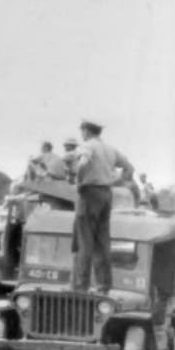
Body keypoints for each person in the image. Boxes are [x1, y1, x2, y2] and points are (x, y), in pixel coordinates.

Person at [70, 120, 135, 293]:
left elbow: (83, 163)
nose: (81, 134)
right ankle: (103, 285)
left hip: (89, 193)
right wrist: (118, 181)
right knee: (102, 242)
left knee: (84, 241)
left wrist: (79, 182)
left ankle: (80, 287)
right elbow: (129, 167)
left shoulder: (87, 146)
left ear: (86, 131)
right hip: (106, 194)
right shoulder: (110, 149)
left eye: (82, 131)